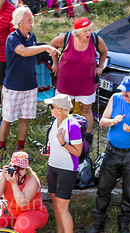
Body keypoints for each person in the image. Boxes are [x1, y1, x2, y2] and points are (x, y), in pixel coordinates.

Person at [87, 76, 130, 233]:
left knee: (129, 191)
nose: (124, 93)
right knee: (103, 188)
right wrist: (112, 121)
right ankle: (98, 222)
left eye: (128, 91)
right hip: (112, 151)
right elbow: (102, 122)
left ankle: (124, 225)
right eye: (123, 89)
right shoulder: (115, 98)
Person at [0, 6, 60, 162]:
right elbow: (23, 52)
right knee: (8, 118)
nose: (32, 22)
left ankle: (20, 148)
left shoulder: (32, 37)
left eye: (32, 18)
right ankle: (1, 148)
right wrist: (45, 47)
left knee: (25, 118)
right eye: (29, 20)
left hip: (30, 85)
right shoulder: (13, 38)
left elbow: (30, 50)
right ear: (19, 23)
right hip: (13, 86)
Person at [51, 17, 108, 147]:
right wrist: (55, 62)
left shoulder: (95, 40)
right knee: (66, 109)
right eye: (85, 31)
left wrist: (100, 66)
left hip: (86, 81)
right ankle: (64, 134)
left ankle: (87, 138)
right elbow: (52, 45)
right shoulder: (65, 38)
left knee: (86, 109)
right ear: (77, 32)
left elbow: (104, 52)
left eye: (89, 30)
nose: (88, 33)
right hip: (66, 81)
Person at [42, 94, 83, 233]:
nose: (49, 109)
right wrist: (50, 150)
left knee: (62, 207)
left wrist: (62, 142)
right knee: (55, 203)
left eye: (51, 107)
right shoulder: (55, 121)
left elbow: (78, 152)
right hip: (53, 167)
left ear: (60, 110)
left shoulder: (72, 125)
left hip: (67, 170)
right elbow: (53, 143)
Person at [0, 151, 48, 233]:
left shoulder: (32, 179)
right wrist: (2, 177)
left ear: (27, 169)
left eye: (21, 168)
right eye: (15, 168)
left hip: (31, 211)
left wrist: (13, 183)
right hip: (10, 211)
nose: (17, 171)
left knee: (23, 227)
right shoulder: (8, 176)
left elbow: (22, 202)